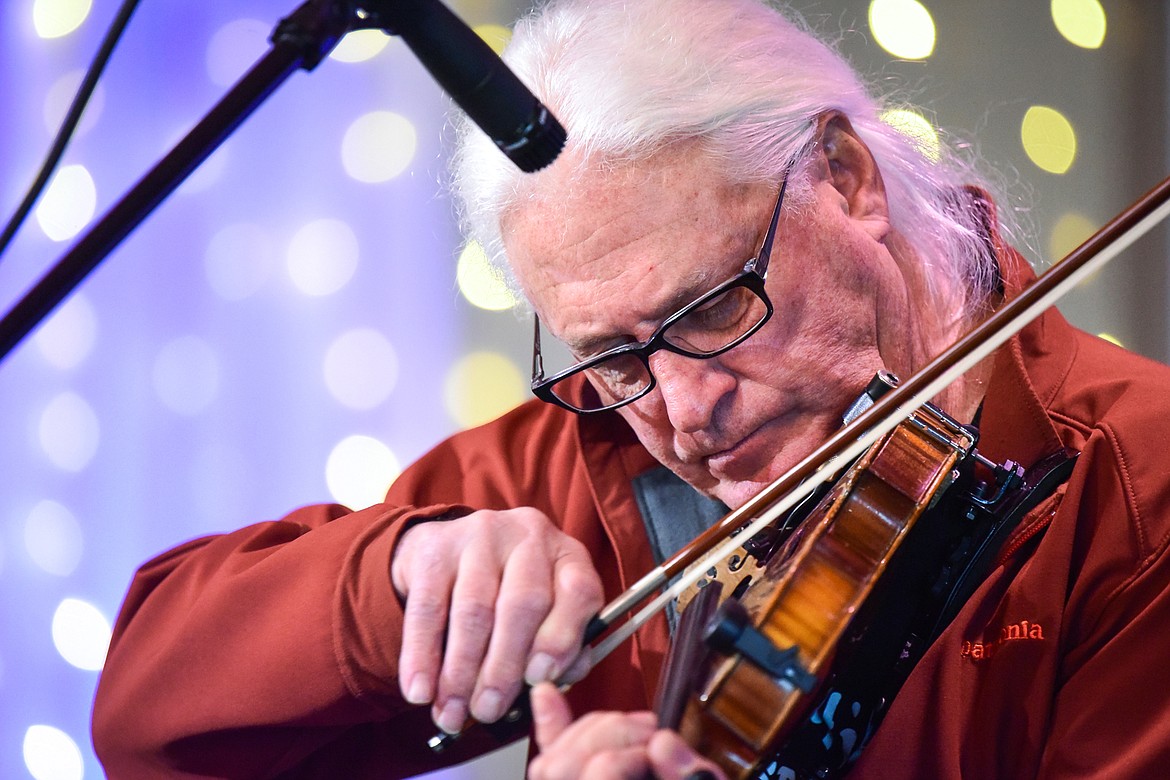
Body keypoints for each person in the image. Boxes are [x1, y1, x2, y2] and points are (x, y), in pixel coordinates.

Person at [92, 0, 1170, 778]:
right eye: (610, 354)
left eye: (711, 309)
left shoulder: (1142, 492)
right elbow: (152, 723)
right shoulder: (597, 448)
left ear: (846, 180)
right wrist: (400, 583)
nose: (687, 414)